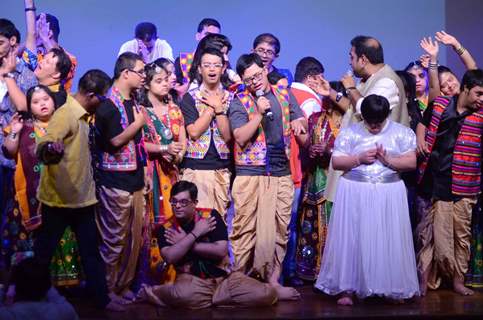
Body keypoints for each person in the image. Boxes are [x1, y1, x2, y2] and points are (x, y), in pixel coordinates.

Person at [315, 94, 419, 305]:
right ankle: (347, 288)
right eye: (370, 123)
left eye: (378, 123)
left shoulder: (402, 133)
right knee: (353, 238)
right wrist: (358, 159)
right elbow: (337, 161)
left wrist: (388, 160)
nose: (374, 127)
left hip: (388, 191)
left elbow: (411, 162)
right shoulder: (351, 133)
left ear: (387, 115)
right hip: (355, 190)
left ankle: (391, 286)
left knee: (387, 237)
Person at [34, 69, 123, 311]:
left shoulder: (82, 115)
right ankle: (28, 299)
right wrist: (51, 149)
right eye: (102, 98)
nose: (103, 103)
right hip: (60, 200)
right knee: (44, 253)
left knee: (90, 252)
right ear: (92, 95)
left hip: (81, 198)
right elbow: (44, 144)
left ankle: (102, 300)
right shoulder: (67, 115)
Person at [228, 53, 307, 300]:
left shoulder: (284, 94)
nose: (256, 82)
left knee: (279, 230)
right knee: (245, 230)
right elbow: (240, 137)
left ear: (265, 69)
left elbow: (301, 130)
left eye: (258, 75)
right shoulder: (238, 99)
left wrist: (301, 127)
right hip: (250, 173)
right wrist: (260, 114)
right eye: (249, 79)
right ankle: (242, 280)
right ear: (243, 80)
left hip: (280, 170)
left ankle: (273, 281)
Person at [136, 181, 278, 309]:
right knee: (183, 295)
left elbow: (221, 250)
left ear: (194, 203)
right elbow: (170, 257)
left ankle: (214, 299)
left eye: (184, 202)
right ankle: (155, 292)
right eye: (174, 201)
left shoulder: (210, 216)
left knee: (268, 294)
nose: (178, 206)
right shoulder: (166, 228)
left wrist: (184, 242)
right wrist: (195, 234)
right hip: (192, 282)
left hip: (225, 280)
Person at [2, 85, 81, 286]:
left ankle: (61, 284)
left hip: (62, 194)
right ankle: (29, 285)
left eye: (45, 99)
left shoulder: (67, 125)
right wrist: (15, 133)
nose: (42, 104)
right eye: (36, 102)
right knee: (28, 241)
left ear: (53, 101)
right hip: (29, 196)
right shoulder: (24, 127)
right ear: (29, 107)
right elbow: (10, 151)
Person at [416, 69, 483, 296]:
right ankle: (424, 281)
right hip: (434, 179)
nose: (482, 99)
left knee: (461, 236)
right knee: (428, 236)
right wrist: (419, 141)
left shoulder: (481, 115)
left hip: (465, 183)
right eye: (479, 93)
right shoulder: (440, 105)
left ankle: (457, 280)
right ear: (465, 89)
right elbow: (422, 124)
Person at [323, 35, 408, 207]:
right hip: (360, 168)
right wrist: (331, 93)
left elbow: (367, 110)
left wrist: (350, 87)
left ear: (363, 59)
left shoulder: (386, 81)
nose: (349, 62)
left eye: (351, 57)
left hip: (374, 175)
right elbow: (353, 110)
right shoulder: (369, 79)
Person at [95, 52, 147, 303]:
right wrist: (138, 125)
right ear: (126, 73)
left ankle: (123, 284)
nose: (144, 77)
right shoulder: (108, 105)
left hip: (135, 179)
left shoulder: (135, 100)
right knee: (113, 239)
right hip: (115, 182)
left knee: (133, 239)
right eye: (141, 71)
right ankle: (107, 291)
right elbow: (114, 142)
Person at [136, 59, 186, 285]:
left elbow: (182, 142)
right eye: (159, 80)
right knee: (150, 225)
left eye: (167, 79)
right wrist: (163, 149)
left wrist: (177, 155)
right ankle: (151, 278)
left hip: (172, 173)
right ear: (146, 84)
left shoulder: (175, 109)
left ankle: (173, 278)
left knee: (173, 222)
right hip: (150, 174)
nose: (165, 84)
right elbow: (138, 143)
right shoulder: (141, 112)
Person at [282, 56, 325, 285]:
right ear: (311, 78)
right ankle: (288, 272)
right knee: (291, 223)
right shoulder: (310, 101)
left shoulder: (286, 94)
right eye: (320, 78)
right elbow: (309, 137)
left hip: (283, 169)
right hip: (297, 168)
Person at [295, 80, 344, 282]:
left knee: (336, 227)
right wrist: (311, 148)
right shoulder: (315, 118)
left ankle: (335, 274)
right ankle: (310, 273)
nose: (328, 102)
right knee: (311, 226)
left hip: (338, 179)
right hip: (315, 179)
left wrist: (329, 151)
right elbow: (308, 143)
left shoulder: (349, 120)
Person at [0, 18, 37, 272]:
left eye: (0, 42)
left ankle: (10, 277)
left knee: (9, 218)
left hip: (10, 156)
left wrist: (9, 76)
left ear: (13, 42)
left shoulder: (24, 72)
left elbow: (25, 107)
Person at [179, 48, 233, 217]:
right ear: (199, 69)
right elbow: (193, 132)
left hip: (222, 168)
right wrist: (213, 107)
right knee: (196, 220)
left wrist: (220, 109)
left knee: (219, 221)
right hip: (196, 167)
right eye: (207, 65)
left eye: (216, 65)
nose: (211, 69)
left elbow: (228, 136)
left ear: (223, 68)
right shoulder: (190, 97)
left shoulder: (232, 98)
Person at [22, 0, 77, 92]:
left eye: (38, 31)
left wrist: (45, 40)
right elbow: (13, 54)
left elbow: (63, 66)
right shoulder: (37, 54)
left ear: (49, 33)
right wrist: (34, 38)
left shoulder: (70, 59)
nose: (36, 34)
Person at [0, 257, 78, 320]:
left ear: (15, 284)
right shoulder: (63, 312)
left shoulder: (8, 315)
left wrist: (6, 284)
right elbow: (54, 295)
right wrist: (43, 279)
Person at [174, 18, 221, 97]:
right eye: (207, 35)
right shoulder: (183, 61)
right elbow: (176, 90)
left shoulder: (222, 62)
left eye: (215, 37)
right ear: (198, 36)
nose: (211, 40)